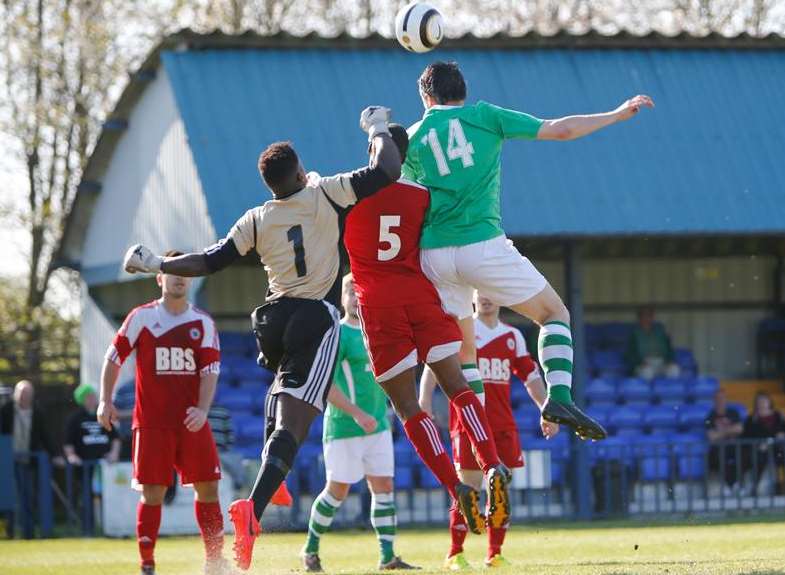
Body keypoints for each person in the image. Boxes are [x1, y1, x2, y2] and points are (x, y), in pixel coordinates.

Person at [121, 106, 402, 571]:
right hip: (316, 316)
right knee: (296, 426)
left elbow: (209, 261)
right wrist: (375, 126)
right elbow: (386, 169)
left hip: (270, 320)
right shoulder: (325, 193)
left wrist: (157, 264)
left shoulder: (256, 217)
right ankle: (253, 510)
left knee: (283, 392)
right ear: (297, 171)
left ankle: (275, 478)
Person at [403, 61, 654, 440]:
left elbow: (400, 198)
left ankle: (478, 436)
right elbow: (562, 130)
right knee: (554, 313)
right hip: (480, 245)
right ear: (463, 92)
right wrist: (617, 115)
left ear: (426, 97)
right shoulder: (485, 116)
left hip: (433, 255)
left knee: (466, 351)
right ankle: (560, 396)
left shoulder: (411, 136)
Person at [341, 124, 508, 537]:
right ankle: (491, 463)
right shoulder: (422, 195)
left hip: (378, 304)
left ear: (373, 150)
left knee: (409, 407)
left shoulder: (348, 191)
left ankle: (455, 488)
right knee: (457, 384)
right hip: (419, 293)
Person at [97, 250, 231, 575]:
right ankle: (147, 562)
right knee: (153, 493)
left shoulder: (202, 321)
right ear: (160, 278)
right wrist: (105, 400)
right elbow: (113, 358)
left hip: (191, 422)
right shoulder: (141, 318)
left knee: (209, 487)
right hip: (153, 423)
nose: (179, 276)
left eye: (185, 271)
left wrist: (202, 409)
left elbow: (211, 370)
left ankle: (214, 561)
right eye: (172, 271)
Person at [420, 293, 558, 569]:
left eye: (490, 293)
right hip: (468, 422)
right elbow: (434, 366)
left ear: (500, 298)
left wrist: (547, 407)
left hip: (502, 424)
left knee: (500, 489)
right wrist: (425, 400)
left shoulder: (513, 337)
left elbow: (530, 377)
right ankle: (455, 553)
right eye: (479, 292)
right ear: (471, 296)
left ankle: (494, 553)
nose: (485, 298)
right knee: (467, 488)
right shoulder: (459, 328)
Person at [301, 275, 416, 572]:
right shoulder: (336, 334)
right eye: (349, 292)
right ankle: (310, 551)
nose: (354, 297)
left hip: (378, 427)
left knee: (384, 486)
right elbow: (325, 384)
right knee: (337, 490)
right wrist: (356, 412)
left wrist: (390, 410)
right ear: (342, 298)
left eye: (359, 292)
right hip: (344, 427)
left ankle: (387, 557)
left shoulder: (377, 333)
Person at [0, 380, 58, 460]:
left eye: (26, 393)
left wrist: (55, 455)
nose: (22, 396)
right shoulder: (5, 411)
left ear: (32, 394)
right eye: (20, 392)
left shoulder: (38, 413)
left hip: (30, 457)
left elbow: (45, 435)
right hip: (9, 459)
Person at [64, 384, 121, 466]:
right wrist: (72, 456)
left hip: (105, 464)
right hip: (85, 466)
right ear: (81, 399)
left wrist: (114, 453)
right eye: (88, 397)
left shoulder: (103, 414)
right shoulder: (74, 418)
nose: (92, 399)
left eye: (93, 396)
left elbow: (115, 437)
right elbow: (68, 441)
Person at [742, 392, 785, 495]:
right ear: (756, 404)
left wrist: (780, 436)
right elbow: (746, 437)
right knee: (759, 458)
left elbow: (781, 432)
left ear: (769, 402)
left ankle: (779, 485)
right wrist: (759, 445)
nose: (762, 404)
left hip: (777, 449)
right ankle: (755, 488)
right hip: (759, 450)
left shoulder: (778, 416)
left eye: (764, 401)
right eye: (759, 402)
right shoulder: (751, 419)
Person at [625, 306, 680, 379]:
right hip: (644, 364)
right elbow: (630, 355)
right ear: (639, 318)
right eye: (644, 316)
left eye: (649, 316)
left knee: (674, 370)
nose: (647, 318)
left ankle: (669, 390)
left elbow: (670, 350)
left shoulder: (661, 332)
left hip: (661, 362)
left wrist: (669, 361)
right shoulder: (634, 335)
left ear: (652, 317)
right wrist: (640, 363)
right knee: (647, 372)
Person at [705, 390, 743, 493]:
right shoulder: (710, 416)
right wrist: (730, 431)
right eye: (718, 398)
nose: (720, 401)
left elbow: (739, 429)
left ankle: (734, 485)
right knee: (720, 457)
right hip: (718, 448)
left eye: (722, 398)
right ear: (714, 400)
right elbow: (712, 436)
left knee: (744, 454)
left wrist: (721, 432)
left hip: (734, 446)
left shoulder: (733, 413)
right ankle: (733, 485)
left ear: (726, 399)